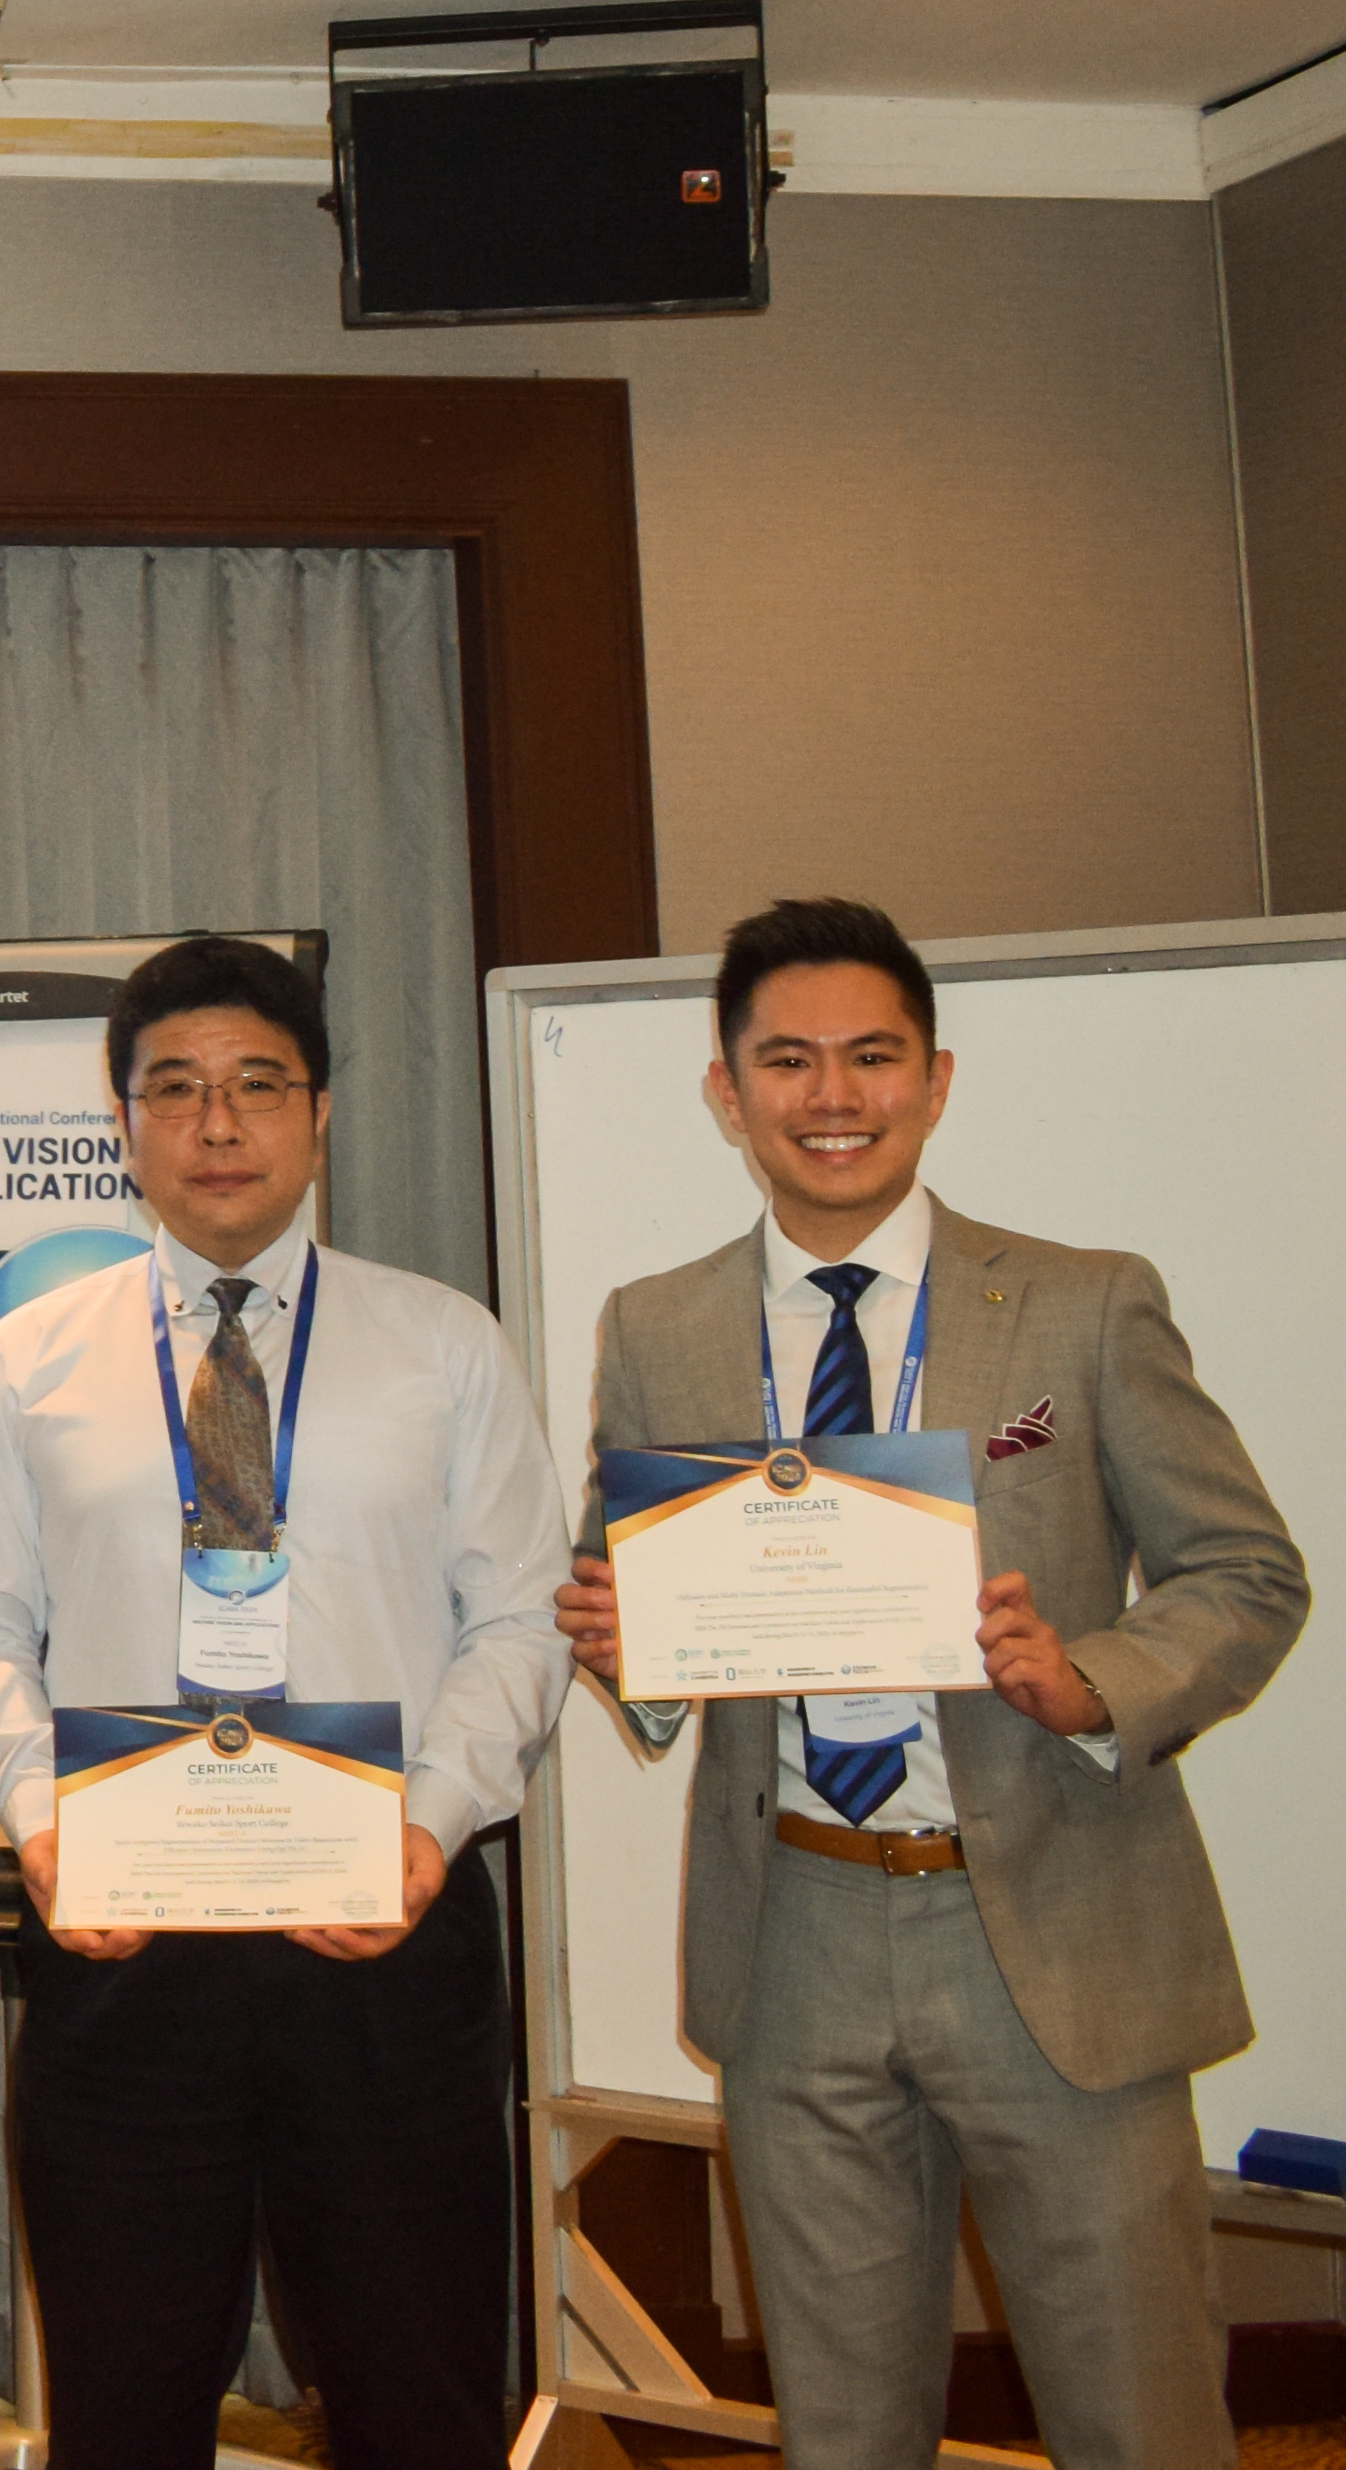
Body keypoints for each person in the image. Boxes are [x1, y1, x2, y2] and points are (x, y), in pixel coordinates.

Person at [555, 896, 1305, 2470]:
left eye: (873, 1056)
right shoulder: (661, 1322)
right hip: (795, 1931)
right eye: (789, 1061)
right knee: (842, 2428)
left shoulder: (1083, 1302)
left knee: (1139, 2414)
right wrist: (631, 1653)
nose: (834, 1095)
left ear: (938, 1078)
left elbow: (1248, 1573)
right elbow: (647, 1635)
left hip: (1048, 1923)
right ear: (727, 1092)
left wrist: (1089, 1678)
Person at [0, 932, 568, 2470]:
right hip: (123, 1937)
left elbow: (522, 1614)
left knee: (420, 2401)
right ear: (122, 1122)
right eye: (176, 1089)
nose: (218, 1124)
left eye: (258, 1086)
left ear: (321, 1115)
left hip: (390, 1931)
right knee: (126, 2416)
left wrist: (429, 1824)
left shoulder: (442, 1344)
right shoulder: (32, 1357)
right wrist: (37, 1815)